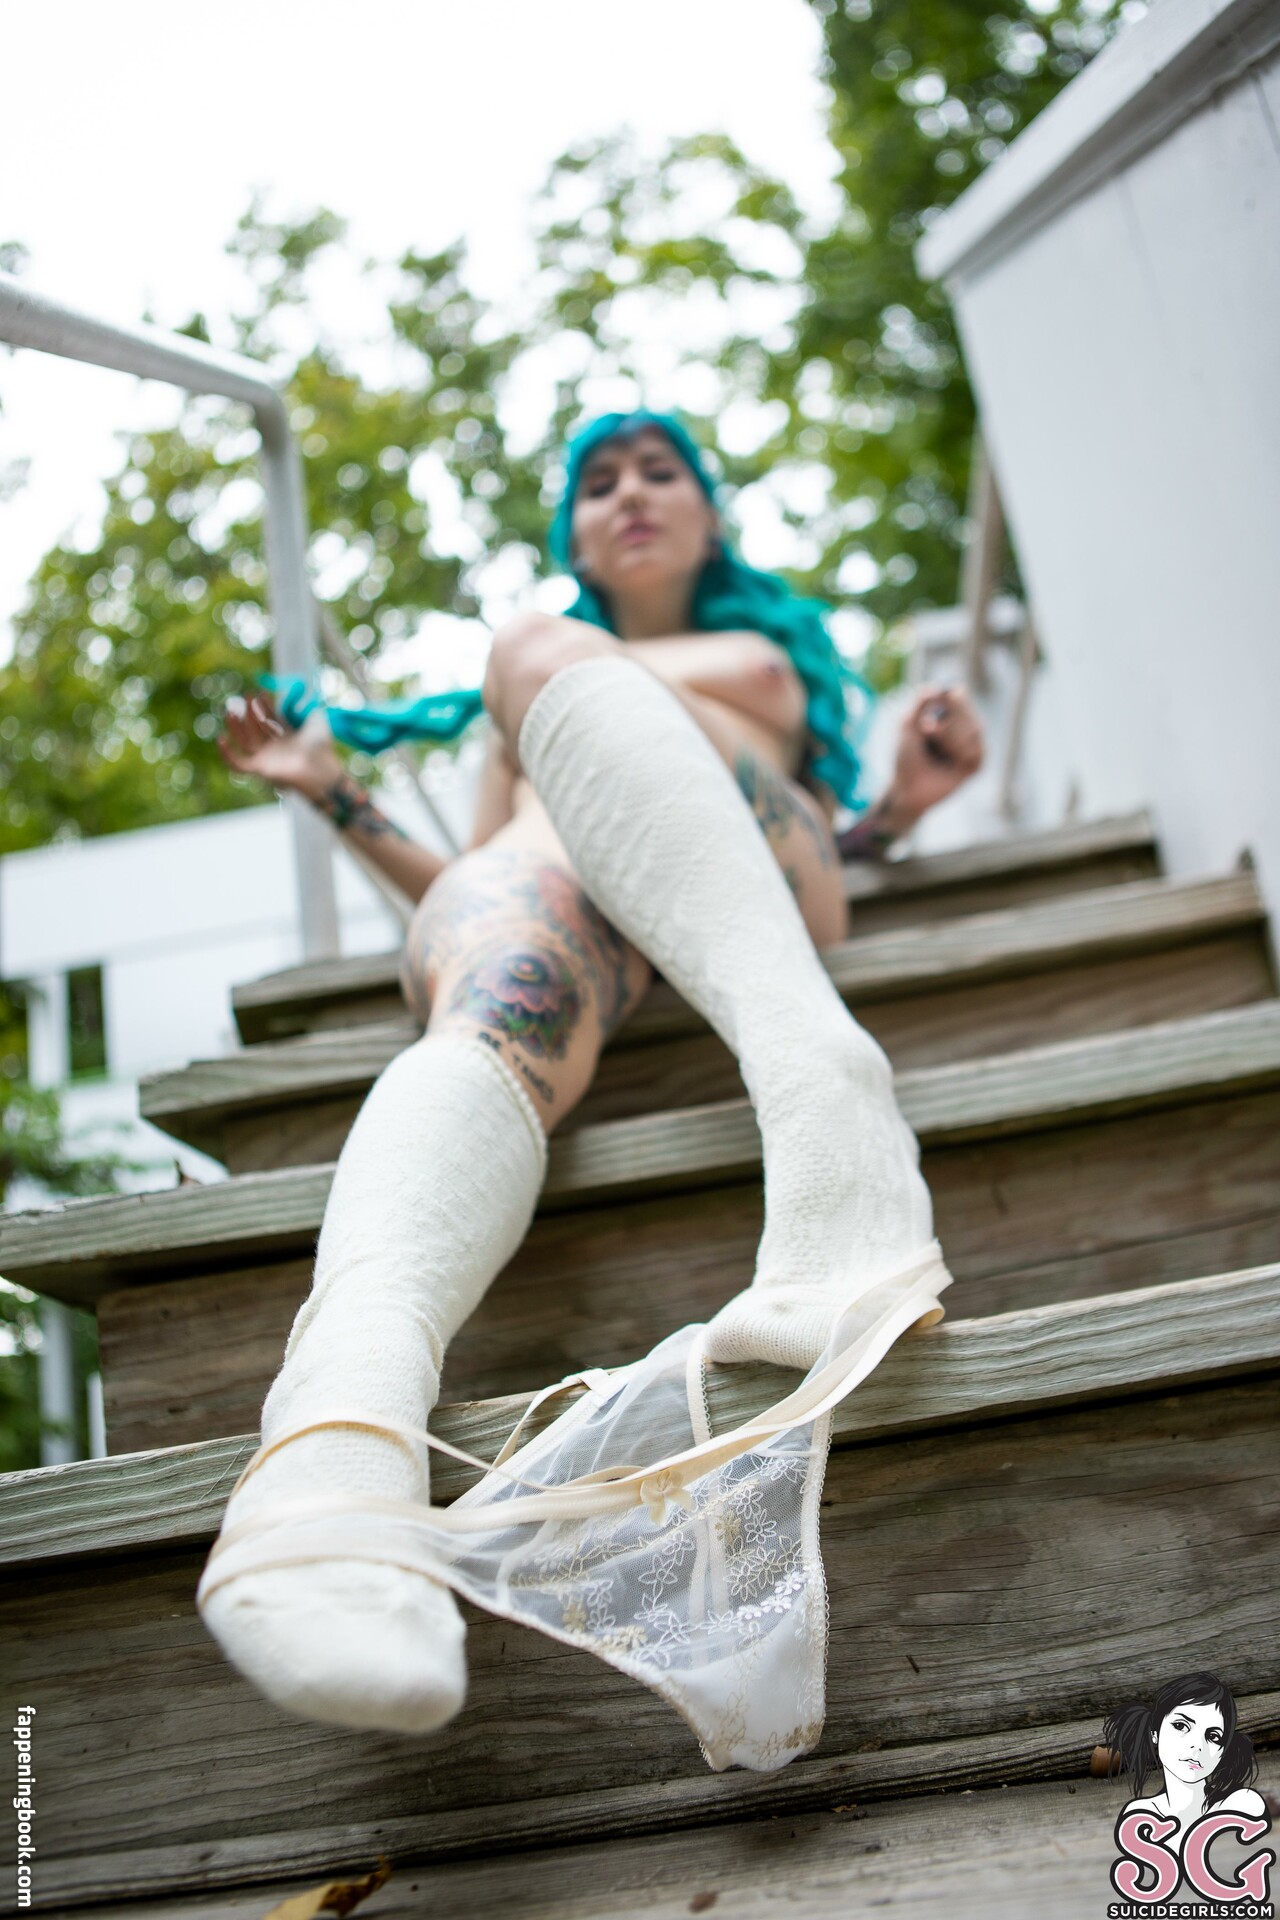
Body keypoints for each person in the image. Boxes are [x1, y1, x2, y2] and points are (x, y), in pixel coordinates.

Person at [199, 410, 985, 1770]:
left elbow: (779, 834)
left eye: (659, 473)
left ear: (711, 515)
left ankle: (824, 1083)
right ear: (574, 531)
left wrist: (898, 814)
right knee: (496, 963)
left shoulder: (750, 659)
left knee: (531, 655)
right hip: (564, 887)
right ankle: (333, 1449)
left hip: (758, 865)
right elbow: (472, 872)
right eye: (599, 481)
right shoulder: (538, 699)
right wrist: (338, 798)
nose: (629, 494)